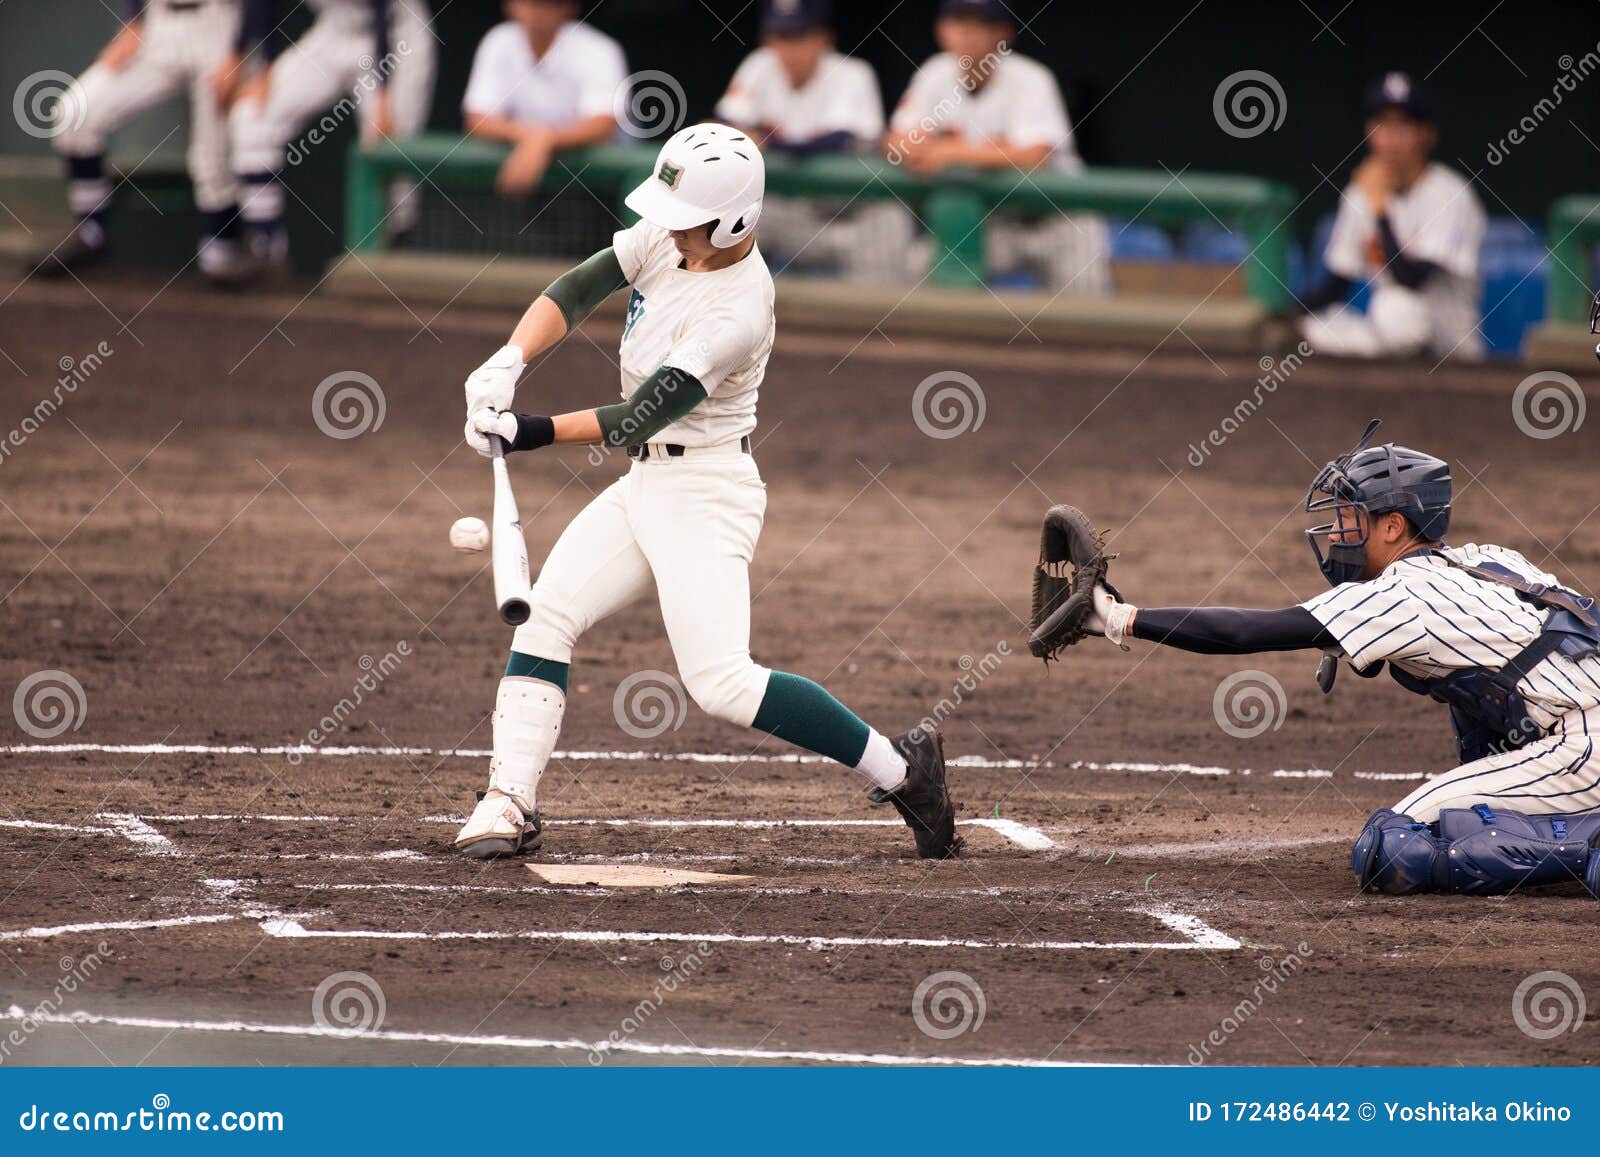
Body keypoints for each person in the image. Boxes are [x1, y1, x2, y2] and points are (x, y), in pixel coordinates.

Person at [450, 123, 960, 862]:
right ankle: (509, 800)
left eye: (687, 220)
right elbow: (581, 286)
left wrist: (526, 430)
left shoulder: (737, 309)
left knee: (721, 682)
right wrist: (510, 358)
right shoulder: (671, 234)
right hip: (648, 482)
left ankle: (906, 772)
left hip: (706, 491)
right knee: (547, 614)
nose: (669, 229)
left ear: (734, 222)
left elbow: (640, 416)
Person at [1058, 420, 1600, 897]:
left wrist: (1118, 617)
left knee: (1395, 848)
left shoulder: (1401, 596)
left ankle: (1586, 850)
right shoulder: (1490, 559)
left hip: (1584, 744)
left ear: (1393, 527)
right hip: (1576, 722)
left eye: (1350, 517)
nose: (1336, 532)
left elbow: (1248, 632)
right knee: (1475, 702)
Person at [885, 0, 1110, 294]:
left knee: (1083, 303)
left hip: (1057, 218)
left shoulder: (1031, 77)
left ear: (1002, 34)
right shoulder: (934, 73)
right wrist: (989, 152)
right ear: (941, 30)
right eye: (958, 22)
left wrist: (950, 150)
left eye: (980, 24)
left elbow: (1036, 156)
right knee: (921, 267)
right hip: (991, 221)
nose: (967, 34)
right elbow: (897, 140)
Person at [25, 0, 250, 281]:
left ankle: (222, 252)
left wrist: (240, 49)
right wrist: (132, 19)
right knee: (73, 115)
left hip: (221, 27)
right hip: (158, 25)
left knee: (212, 159)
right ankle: (91, 234)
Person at [226, 0, 436, 280]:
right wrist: (262, 66)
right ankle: (267, 248)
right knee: (251, 116)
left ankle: (395, 261)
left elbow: (380, 8)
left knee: (390, 150)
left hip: (397, 35)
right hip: (334, 32)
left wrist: (384, 96)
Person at [714, 0, 910, 283]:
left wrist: (765, 140)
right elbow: (724, 125)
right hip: (783, 211)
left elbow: (838, 141)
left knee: (890, 219)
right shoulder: (759, 65)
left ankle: (870, 311)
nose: (789, 48)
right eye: (781, 37)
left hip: (844, 214)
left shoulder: (853, 73)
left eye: (800, 36)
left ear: (824, 39)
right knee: (726, 212)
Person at [1300, 73, 1487, 361]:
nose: (1391, 138)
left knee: (1396, 309)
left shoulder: (1452, 193)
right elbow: (1337, 286)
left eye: (1403, 125)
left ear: (1427, 134)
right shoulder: (1359, 195)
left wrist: (1380, 211)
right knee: (1315, 327)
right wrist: (1289, 314)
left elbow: (1411, 278)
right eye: (1382, 125)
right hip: (1389, 336)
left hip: (1450, 348)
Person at [461, 0, 626, 198]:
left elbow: (602, 126)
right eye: (529, 2)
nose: (536, 12)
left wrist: (543, 140)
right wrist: (532, 138)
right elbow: (477, 119)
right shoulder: (498, 40)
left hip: (602, 189)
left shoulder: (599, 49)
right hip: (530, 180)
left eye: (547, 4)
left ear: (568, 7)